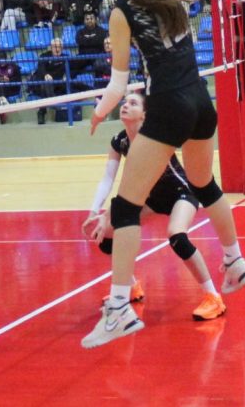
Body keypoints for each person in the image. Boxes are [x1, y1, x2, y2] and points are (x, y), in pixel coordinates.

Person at [82, 0, 245, 349]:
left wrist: (99, 112)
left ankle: (119, 309)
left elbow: (119, 84)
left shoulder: (121, 8)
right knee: (205, 184)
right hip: (201, 100)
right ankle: (235, 260)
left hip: (168, 107)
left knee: (125, 209)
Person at [82, 94, 226, 321]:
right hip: (152, 197)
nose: (125, 106)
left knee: (176, 235)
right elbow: (108, 179)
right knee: (107, 233)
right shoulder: (119, 141)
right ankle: (130, 287)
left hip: (181, 192)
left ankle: (213, 297)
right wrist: (95, 212)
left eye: (133, 104)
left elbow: (133, 182)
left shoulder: (154, 139)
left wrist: (110, 212)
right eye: (125, 102)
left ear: (144, 115)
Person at [33, 37, 69, 125]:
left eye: (59, 47)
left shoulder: (66, 57)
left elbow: (71, 69)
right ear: (51, 48)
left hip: (59, 83)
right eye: (55, 47)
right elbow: (40, 69)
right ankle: (51, 104)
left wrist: (67, 75)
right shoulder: (44, 56)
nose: (57, 49)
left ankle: (41, 112)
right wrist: (45, 74)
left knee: (76, 84)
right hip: (45, 82)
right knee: (45, 86)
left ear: (62, 48)